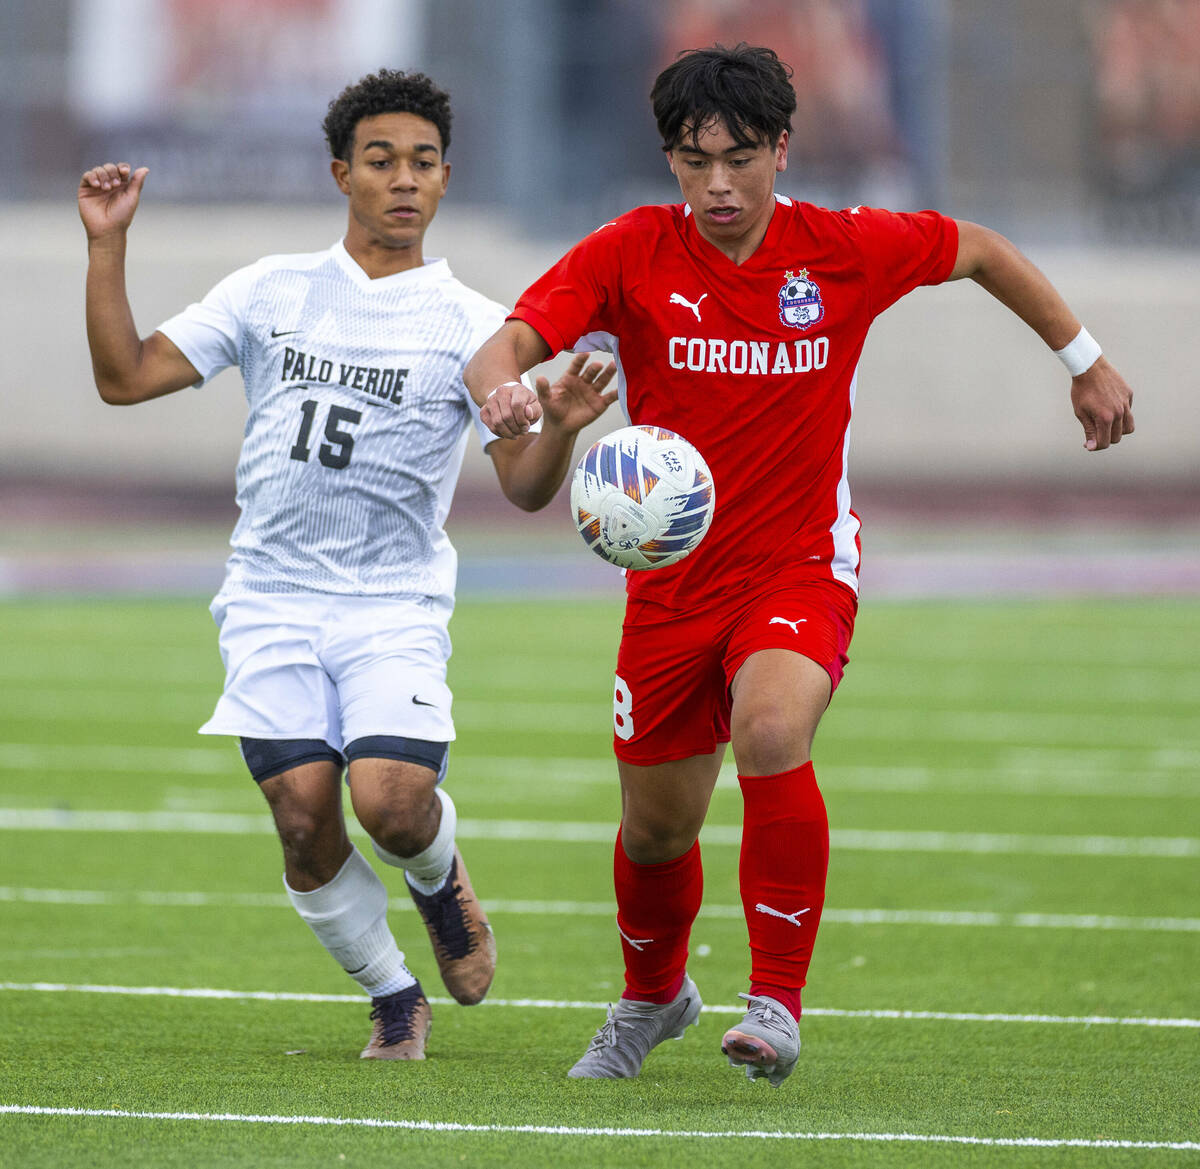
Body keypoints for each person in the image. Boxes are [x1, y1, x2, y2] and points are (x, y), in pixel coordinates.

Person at [464, 43, 1135, 1086]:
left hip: (798, 564)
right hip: (673, 585)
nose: (717, 186)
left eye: (738, 158)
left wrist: (1084, 362)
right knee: (654, 831)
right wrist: (510, 394)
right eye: (693, 162)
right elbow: (502, 346)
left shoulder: (846, 248)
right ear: (670, 161)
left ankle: (775, 999)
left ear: (783, 147)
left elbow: (984, 249)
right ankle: (654, 995)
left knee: (772, 726)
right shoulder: (630, 250)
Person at [78, 69, 616, 1061]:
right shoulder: (269, 287)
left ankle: (440, 881)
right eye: (380, 160)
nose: (402, 178)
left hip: (392, 602)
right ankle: (392, 991)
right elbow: (124, 377)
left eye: (421, 162)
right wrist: (108, 243)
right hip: (270, 599)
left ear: (446, 179)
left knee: (393, 804)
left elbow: (524, 486)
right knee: (303, 818)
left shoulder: (476, 325)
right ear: (342, 174)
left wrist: (563, 430)